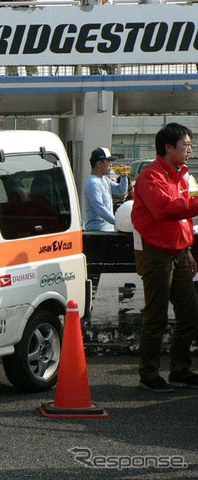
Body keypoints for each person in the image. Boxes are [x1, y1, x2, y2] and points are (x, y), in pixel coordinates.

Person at [131, 122, 198, 392]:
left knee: (190, 314)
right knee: (156, 316)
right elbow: (164, 209)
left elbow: (184, 215)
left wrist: (188, 250)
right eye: (186, 144)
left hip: (179, 252)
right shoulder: (150, 176)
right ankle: (148, 374)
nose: (190, 149)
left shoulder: (183, 175)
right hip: (157, 252)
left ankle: (180, 370)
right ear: (168, 147)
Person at [83, 147, 128, 231]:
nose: (111, 164)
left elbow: (121, 191)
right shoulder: (93, 183)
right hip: (97, 230)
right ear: (99, 164)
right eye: (108, 161)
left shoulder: (104, 179)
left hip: (107, 229)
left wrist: (123, 177)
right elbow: (99, 208)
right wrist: (117, 222)